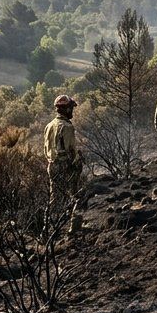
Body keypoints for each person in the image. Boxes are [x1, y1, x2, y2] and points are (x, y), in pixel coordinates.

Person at [44, 94, 86, 233]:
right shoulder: (67, 127)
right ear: (67, 110)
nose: (72, 111)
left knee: (55, 198)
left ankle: (49, 229)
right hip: (65, 166)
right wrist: (76, 164)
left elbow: (46, 149)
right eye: (71, 108)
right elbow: (70, 151)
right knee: (76, 196)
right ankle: (74, 228)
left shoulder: (49, 125)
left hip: (52, 165)